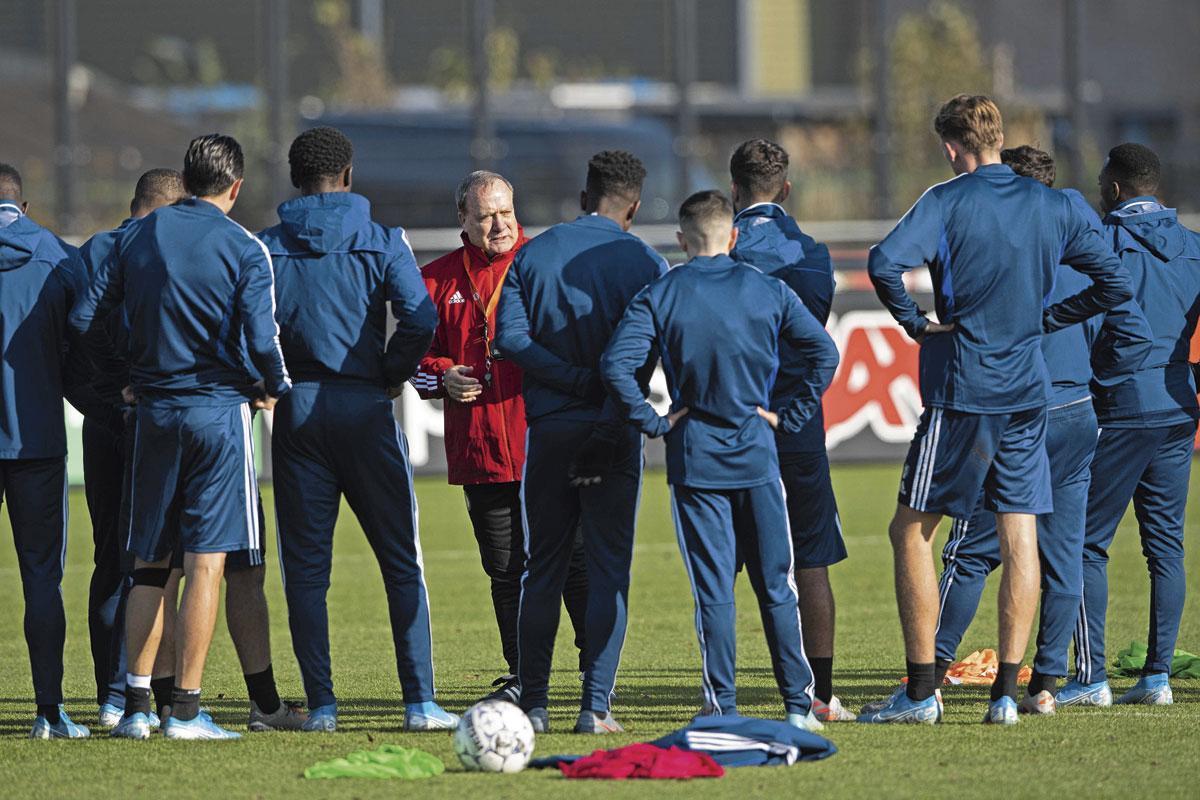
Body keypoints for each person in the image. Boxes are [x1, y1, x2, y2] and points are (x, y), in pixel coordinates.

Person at [863, 95, 1133, 725]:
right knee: (1021, 537)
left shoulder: (947, 198)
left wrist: (916, 325)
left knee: (911, 531)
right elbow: (1112, 282)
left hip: (964, 391)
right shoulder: (1053, 203)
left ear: (952, 146)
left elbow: (882, 261)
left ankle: (922, 691)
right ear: (1000, 137)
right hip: (1029, 393)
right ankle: (1007, 695)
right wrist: (1047, 319)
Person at [70, 133, 291, 740]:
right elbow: (263, 337)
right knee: (206, 563)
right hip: (216, 414)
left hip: (153, 413)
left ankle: (138, 708)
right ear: (236, 186)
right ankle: (187, 712)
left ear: (187, 180)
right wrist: (273, 386)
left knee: (146, 564)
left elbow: (85, 318)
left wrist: (128, 375)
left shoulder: (135, 236)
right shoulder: (242, 247)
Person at [602, 189, 840, 732]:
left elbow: (616, 366)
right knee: (777, 585)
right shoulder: (768, 288)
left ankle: (723, 707)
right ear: (733, 238)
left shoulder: (661, 293)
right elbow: (824, 353)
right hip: (759, 455)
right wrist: (790, 414)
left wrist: (655, 422)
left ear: (682, 240)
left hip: (697, 461)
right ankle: (800, 708)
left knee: (715, 592)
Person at [927, 145, 1152, 714]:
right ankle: (1050, 683)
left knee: (971, 551)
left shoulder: (1002, 242)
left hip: (1014, 406)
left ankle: (926, 675)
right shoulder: (1080, 237)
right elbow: (1129, 323)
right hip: (1077, 408)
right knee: (1065, 553)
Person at [259, 126, 456, 732]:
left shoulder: (265, 247)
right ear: (348, 175)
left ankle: (322, 707)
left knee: (306, 571)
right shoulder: (382, 240)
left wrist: (276, 378)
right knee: (401, 560)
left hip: (298, 414)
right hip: (365, 408)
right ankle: (420, 703)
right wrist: (392, 374)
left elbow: (250, 327)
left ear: (295, 179)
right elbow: (420, 318)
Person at [495, 150, 667, 734]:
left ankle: (535, 705)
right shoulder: (645, 262)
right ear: (634, 206)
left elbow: (511, 340)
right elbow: (656, 347)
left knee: (541, 569)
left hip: (550, 431)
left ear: (582, 197)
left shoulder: (534, 254)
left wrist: (567, 379)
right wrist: (607, 386)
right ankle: (595, 706)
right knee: (607, 569)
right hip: (614, 429)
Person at [412, 170, 589, 704]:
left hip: (548, 441)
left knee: (576, 559)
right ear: (462, 220)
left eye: (506, 212)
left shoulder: (548, 265)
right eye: (486, 215)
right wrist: (443, 374)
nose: (499, 225)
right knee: (506, 568)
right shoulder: (434, 280)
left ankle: (593, 674)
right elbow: (413, 363)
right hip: (482, 449)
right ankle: (523, 676)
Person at [1061, 143, 1200, 707]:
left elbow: (1085, 325)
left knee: (1084, 544)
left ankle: (1091, 678)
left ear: (1114, 188)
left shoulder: (1102, 244)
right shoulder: (1193, 247)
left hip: (1118, 407)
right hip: (1176, 404)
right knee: (1166, 547)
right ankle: (1158, 678)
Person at [728, 139, 850, 721]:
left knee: (719, 563)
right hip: (797, 425)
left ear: (732, 190)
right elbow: (812, 337)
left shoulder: (722, 252)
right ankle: (821, 696)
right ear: (787, 189)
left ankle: (717, 696)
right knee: (811, 558)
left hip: (732, 426)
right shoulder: (812, 253)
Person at [75, 169, 188, 727]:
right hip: (155, 419)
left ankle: (110, 694)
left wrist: (103, 396)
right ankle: (151, 694)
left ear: (132, 202)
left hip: (103, 425)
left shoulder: (93, 250)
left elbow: (75, 331)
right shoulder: (164, 252)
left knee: (110, 561)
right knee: (155, 561)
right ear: (173, 210)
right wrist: (131, 384)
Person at [0, 163, 90, 738]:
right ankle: (48, 713)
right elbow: (85, 340)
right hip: (35, 441)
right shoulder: (57, 255)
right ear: (23, 206)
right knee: (41, 579)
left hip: (34, 441)